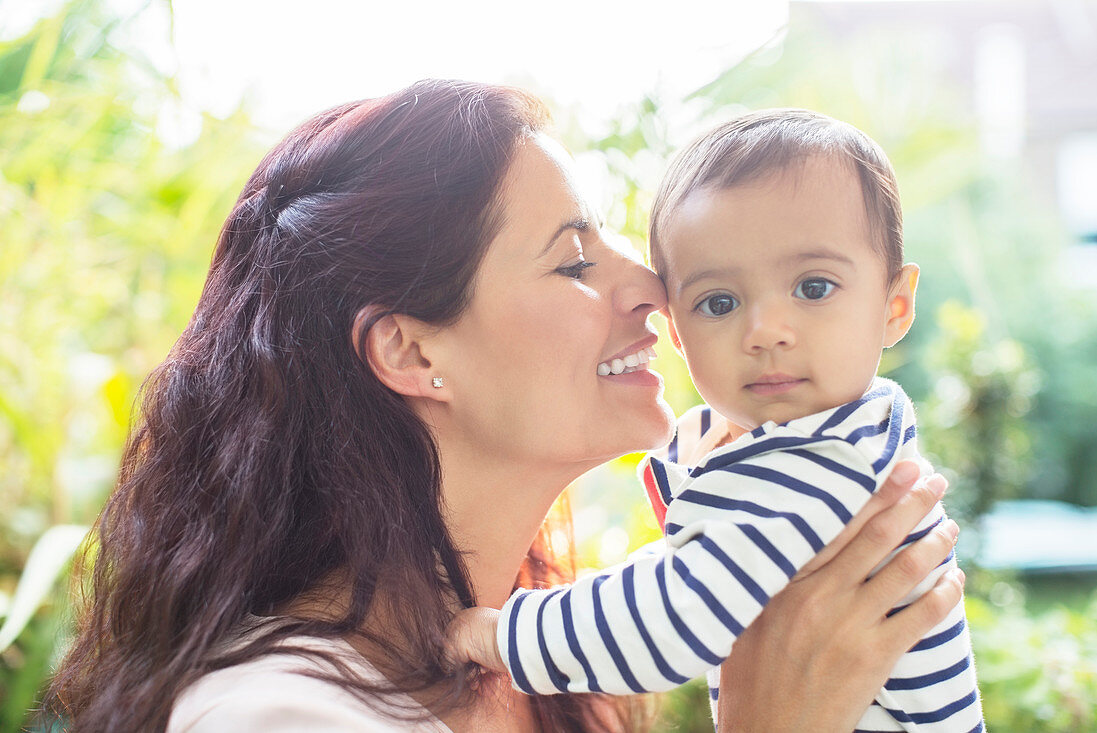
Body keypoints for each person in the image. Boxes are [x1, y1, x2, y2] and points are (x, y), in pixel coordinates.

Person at [40, 82, 963, 733]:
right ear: (411, 349)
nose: (653, 286)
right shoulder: (274, 714)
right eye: (573, 258)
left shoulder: (541, 658)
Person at [445, 110, 983, 731]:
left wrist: (492, 634)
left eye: (813, 287)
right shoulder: (821, 441)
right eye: (719, 303)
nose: (765, 332)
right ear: (678, 333)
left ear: (895, 306)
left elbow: (673, 615)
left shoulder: (821, 462)